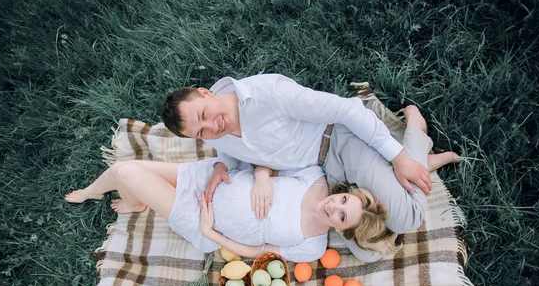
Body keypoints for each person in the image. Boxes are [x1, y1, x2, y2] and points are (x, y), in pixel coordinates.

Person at [160, 75, 458, 261]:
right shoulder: (220, 134)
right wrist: (220, 167)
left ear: (206, 93)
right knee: (365, 249)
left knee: (407, 218)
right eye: (201, 133)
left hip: (340, 140)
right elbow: (237, 153)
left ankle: (414, 138)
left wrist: (397, 158)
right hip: (323, 171)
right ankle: (412, 163)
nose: (213, 127)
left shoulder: (269, 93)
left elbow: (347, 109)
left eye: (204, 114)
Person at [64, 159, 396, 262]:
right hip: (210, 177)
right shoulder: (317, 179)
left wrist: (211, 233)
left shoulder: (311, 247)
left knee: (126, 173)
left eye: (341, 215)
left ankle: (108, 194)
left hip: (201, 217)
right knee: (128, 169)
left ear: (341, 230)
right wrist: (263, 177)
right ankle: (123, 199)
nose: (332, 205)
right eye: (343, 200)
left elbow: (257, 251)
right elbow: (266, 160)